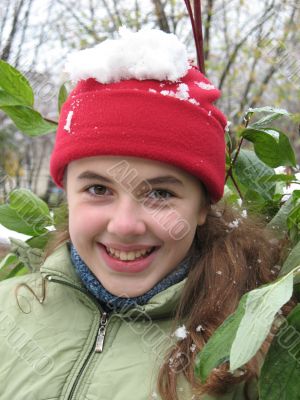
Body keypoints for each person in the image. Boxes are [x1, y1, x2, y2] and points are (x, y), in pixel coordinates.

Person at [0, 28, 286, 400]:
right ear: (67, 193)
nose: (125, 225)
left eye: (161, 194)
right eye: (98, 189)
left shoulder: (257, 355)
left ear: (202, 207)